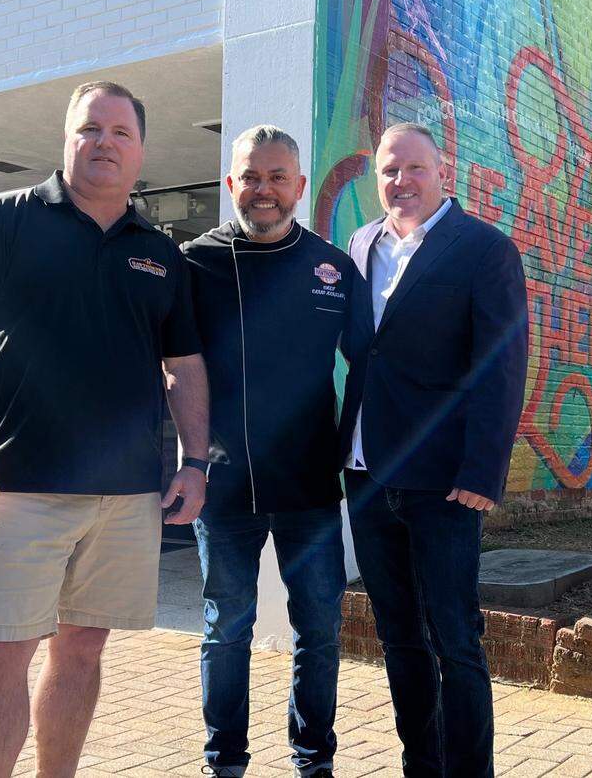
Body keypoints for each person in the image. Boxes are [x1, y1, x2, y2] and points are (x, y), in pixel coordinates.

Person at [0, 80, 211, 778]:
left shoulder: (160, 252)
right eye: (90, 129)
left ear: (141, 151)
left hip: (124, 497)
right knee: (1, 657)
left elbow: (185, 367)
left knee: (83, 650)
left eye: (120, 133)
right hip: (16, 485)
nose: (103, 143)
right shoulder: (7, 219)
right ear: (67, 139)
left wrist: (196, 462)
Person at [181, 125, 371, 778]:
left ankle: (314, 761)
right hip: (224, 488)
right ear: (231, 184)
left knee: (318, 635)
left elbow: (372, 366)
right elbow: (166, 368)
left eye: (277, 177)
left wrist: (359, 455)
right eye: (251, 177)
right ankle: (222, 764)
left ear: (297, 184)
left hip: (311, 490)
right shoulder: (195, 263)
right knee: (225, 632)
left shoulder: (331, 267)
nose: (264, 190)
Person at [342, 122, 529, 778]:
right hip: (365, 478)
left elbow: (500, 368)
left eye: (415, 168)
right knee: (398, 640)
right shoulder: (360, 245)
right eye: (390, 170)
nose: (402, 182)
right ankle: (421, 766)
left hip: (445, 483)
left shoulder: (484, 250)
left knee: (455, 640)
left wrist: (483, 471)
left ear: (444, 171)